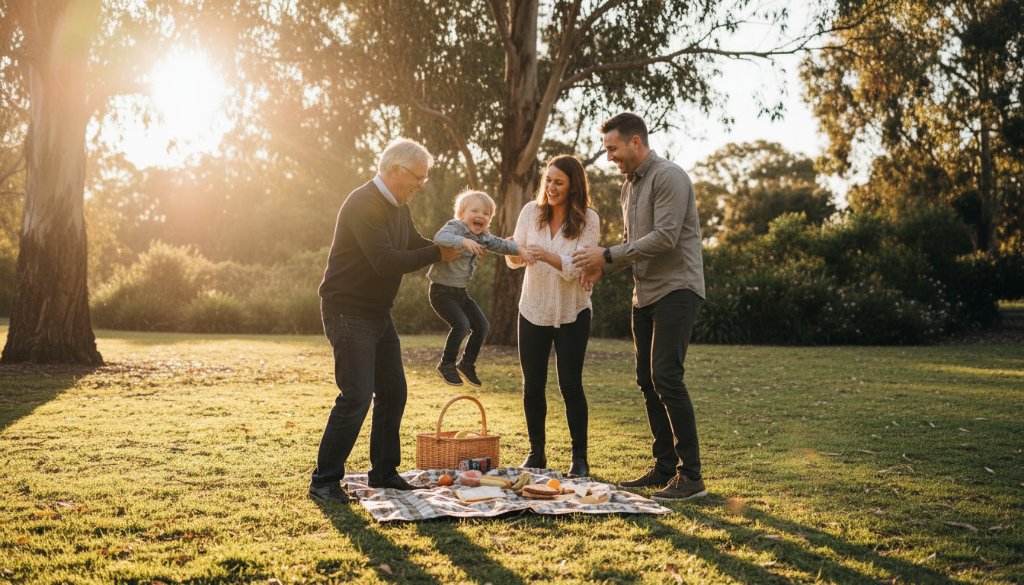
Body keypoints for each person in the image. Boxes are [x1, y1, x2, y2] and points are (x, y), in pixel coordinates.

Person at [309, 138, 461, 504]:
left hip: (377, 312)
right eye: (418, 178)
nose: (421, 186)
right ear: (396, 170)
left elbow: (415, 244)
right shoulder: (364, 203)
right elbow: (386, 260)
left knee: (394, 392)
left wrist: (456, 245)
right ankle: (324, 481)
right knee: (357, 395)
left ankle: (383, 473)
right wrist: (437, 251)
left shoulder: (399, 208)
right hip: (347, 310)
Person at [572, 112, 708, 501]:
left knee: (666, 376)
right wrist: (604, 269)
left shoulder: (670, 176)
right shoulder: (627, 188)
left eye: (613, 149)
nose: (610, 157)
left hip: (677, 289)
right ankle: (664, 467)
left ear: (635, 141)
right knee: (647, 382)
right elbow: (634, 246)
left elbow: (664, 238)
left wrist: (607, 255)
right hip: (643, 295)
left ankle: (691, 476)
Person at [507, 154, 599, 478]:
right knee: (532, 385)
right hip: (532, 308)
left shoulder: (589, 220)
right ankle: (536, 453)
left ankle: (580, 458)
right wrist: (516, 254)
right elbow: (514, 259)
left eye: (558, 182)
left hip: (573, 311)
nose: (550, 187)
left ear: (574, 186)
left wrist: (545, 254)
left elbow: (577, 269)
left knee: (570, 385)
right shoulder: (530, 213)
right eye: (548, 180)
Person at [428, 190, 535, 387]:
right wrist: (463, 241)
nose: (480, 216)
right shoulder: (456, 228)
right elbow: (440, 236)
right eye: (474, 211)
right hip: (441, 291)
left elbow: (501, 245)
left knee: (482, 325)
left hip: (460, 292)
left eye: (486, 214)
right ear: (461, 214)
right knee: (461, 325)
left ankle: (467, 363)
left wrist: (520, 249)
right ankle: (446, 364)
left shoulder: (484, 237)